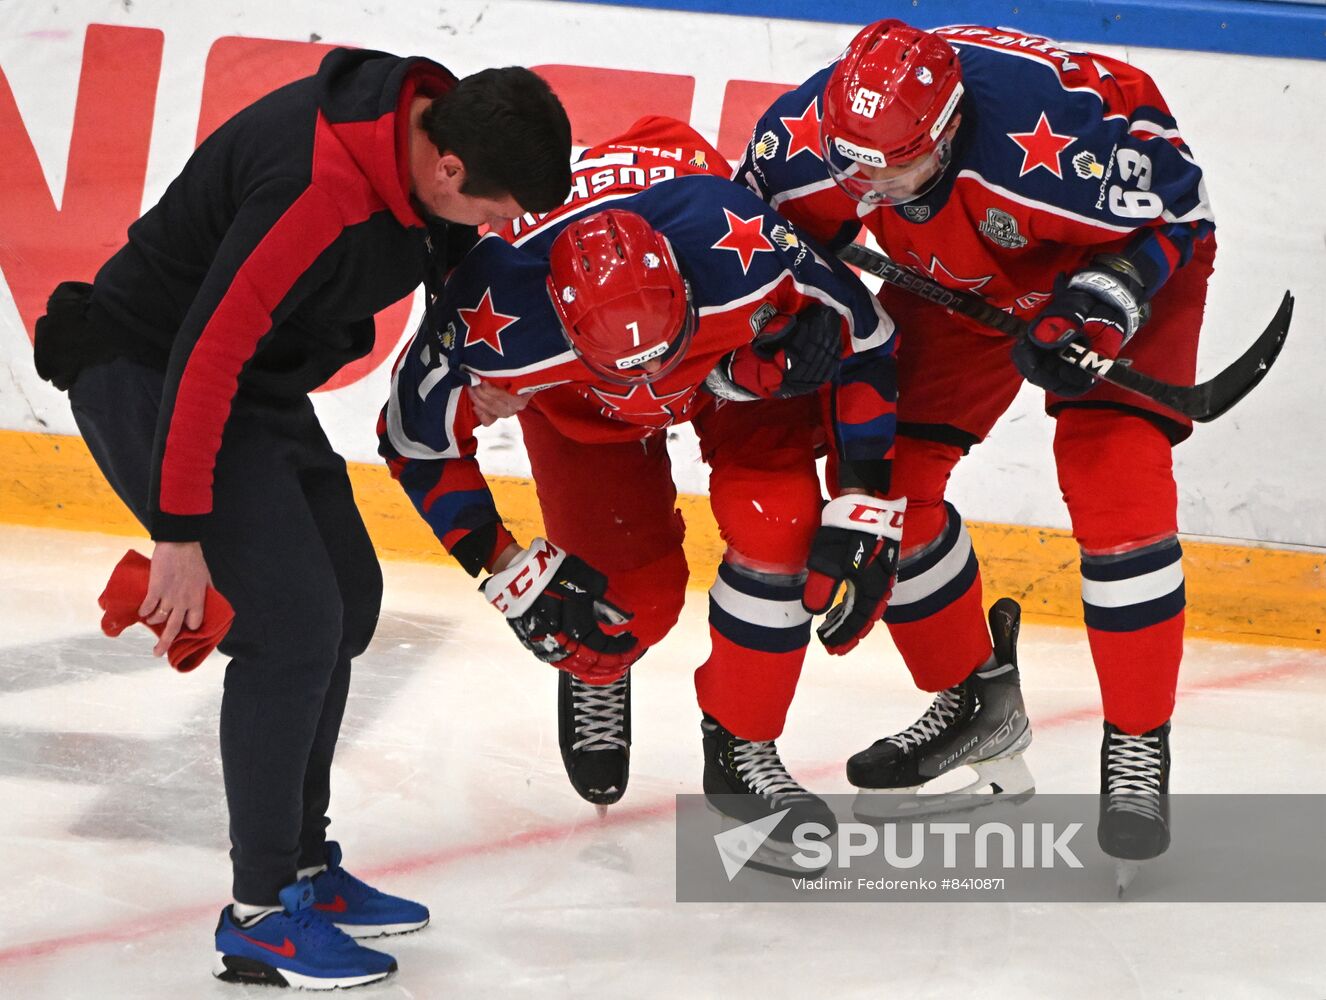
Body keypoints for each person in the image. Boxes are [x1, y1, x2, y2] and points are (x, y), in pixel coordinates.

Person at [32, 47, 571, 989]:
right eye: (496, 206)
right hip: (152, 375)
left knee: (349, 604)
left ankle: (309, 866)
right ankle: (260, 914)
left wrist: (500, 372)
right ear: (448, 169)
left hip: (252, 387)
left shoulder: (432, 133)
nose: (501, 225)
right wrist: (179, 533)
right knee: (290, 632)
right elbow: (205, 354)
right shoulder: (315, 189)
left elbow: (454, 263)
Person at [738, 20, 1215, 860]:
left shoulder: (1064, 150)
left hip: (1115, 253)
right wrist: (800, 319)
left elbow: (1177, 217)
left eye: (898, 168)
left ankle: (1139, 743)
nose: (870, 189)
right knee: (886, 491)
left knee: (1114, 485)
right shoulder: (800, 143)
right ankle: (978, 704)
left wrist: (1100, 306)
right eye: (856, 166)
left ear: (952, 127)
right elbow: (760, 251)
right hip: (955, 270)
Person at [380, 117, 902, 861]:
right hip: (585, 401)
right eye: (632, 367)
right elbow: (413, 440)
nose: (652, 383)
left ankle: (740, 753)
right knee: (620, 605)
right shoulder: (491, 312)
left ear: (687, 281)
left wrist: (862, 495)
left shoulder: (742, 242)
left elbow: (868, 336)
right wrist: (508, 573)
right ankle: (603, 672)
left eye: (663, 353)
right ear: (556, 316)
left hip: (730, 366)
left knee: (781, 523)